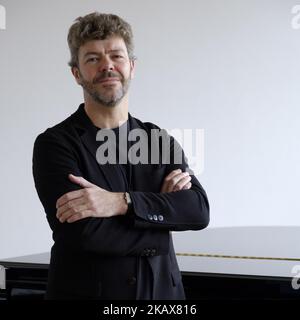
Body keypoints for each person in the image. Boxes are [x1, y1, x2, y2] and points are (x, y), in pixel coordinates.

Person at [32, 12, 209, 300]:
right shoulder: (54, 144)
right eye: (92, 59)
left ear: (132, 66)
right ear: (76, 73)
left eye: (116, 55)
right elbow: (85, 234)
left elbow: (197, 210)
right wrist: (163, 222)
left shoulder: (159, 140)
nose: (107, 66)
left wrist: (119, 202)